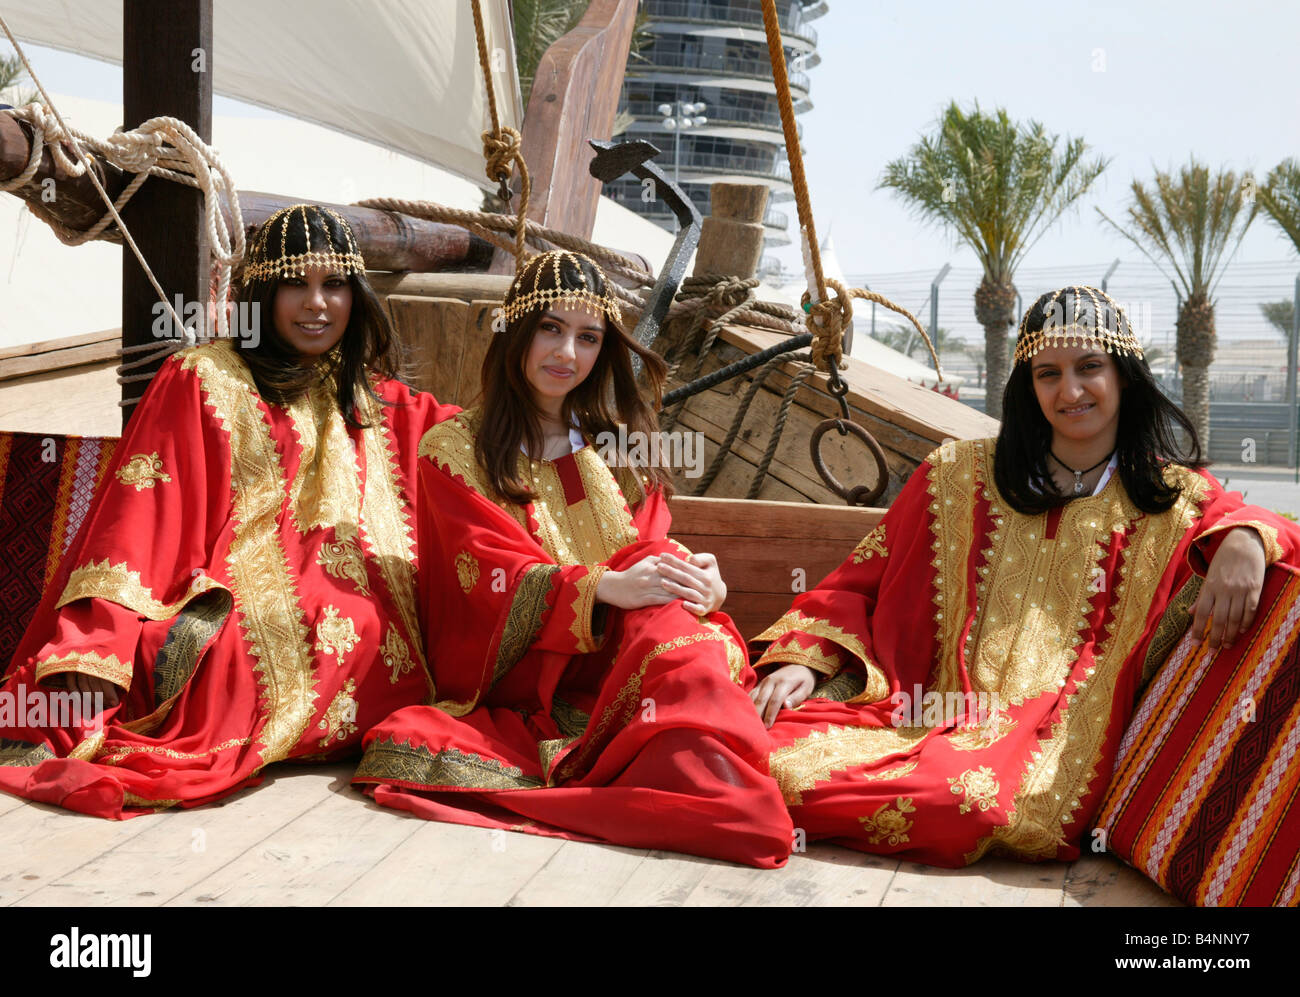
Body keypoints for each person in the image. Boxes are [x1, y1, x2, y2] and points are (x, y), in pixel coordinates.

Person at [748, 285, 1299, 867]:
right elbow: (857, 582)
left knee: (962, 802)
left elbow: (1269, 522)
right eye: (1048, 374)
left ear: (1125, 376)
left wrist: (1246, 537)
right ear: (1027, 386)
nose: (1071, 391)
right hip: (911, 711)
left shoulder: (1177, 501)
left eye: (1090, 367)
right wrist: (801, 660)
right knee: (747, 747)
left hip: (1052, 751)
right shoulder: (955, 476)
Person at [0, 204, 458, 816]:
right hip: (227, 595)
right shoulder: (202, 376)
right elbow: (142, 510)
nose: (317, 304)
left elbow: (469, 445)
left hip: (369, 611)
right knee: (222, 663)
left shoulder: (371, 398)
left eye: (335, 285)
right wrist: (98, 637)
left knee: (385, 633)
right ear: (262, 296)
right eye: (296, 284)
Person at [353, 249, 794, 868]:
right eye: (550, 329)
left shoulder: (619, 446)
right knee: (677, 647)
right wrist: (603, 590)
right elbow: (483, 576)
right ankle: (720, 788)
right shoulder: (453, 450)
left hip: (632, 638)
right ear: (516, 333)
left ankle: (712, 784)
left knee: (675, 617)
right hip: (532, 671)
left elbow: (650, 544)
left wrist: (701, 584)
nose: (567, 353)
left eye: (588, 338)